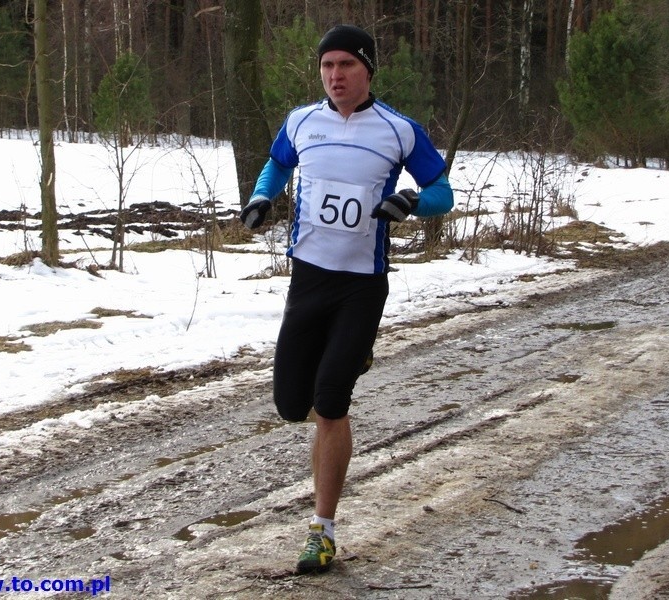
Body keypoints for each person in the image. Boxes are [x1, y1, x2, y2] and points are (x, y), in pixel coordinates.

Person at [239, 24, 453, 574]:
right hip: (308, 280)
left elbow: (442, 193)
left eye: (347, 66)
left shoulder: (400, 131)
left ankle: (322, 530)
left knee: (331, 401)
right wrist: (264, 196)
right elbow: (278, 163)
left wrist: (411, 202)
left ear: (368, 69)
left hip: (361, 285)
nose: (335, 76)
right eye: (327, 66)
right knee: (292, 405)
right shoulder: (300, 121)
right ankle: (348, 354)